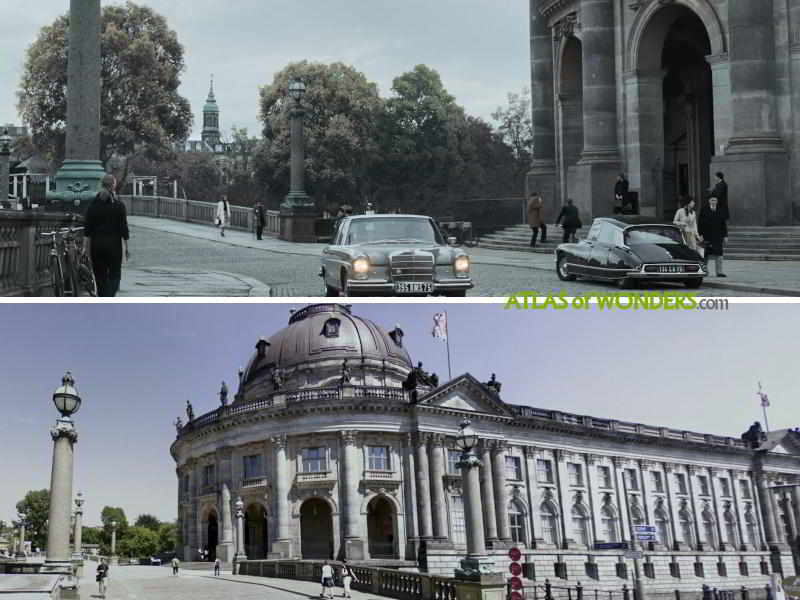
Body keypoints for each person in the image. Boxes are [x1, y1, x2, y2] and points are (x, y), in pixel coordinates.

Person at [84, 174, 130, 297]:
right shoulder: (119, 206)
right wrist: (126, 247)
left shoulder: (92, 206)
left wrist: (85, 249)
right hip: (114, 246)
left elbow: (87, 231)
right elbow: (123, 229)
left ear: (101, 185)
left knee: (99, 276)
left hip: (97, 245)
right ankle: (109, 296)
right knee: (115, 275)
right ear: (113, 186)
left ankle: (103, 298)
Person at [698, 196, 728, 277]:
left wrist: (725, 236)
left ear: (717, 201)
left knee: (719, 254)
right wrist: (700, 235)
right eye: (712, 200)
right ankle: (704, 271)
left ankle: (719, 272)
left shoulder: (720, 210)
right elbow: (700, 224)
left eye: (715, 200)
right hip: (707, 236)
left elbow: (723, 225)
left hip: (718, 237)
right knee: (705, 255)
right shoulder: (704, 210)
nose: (713, 201)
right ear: (709, 201)